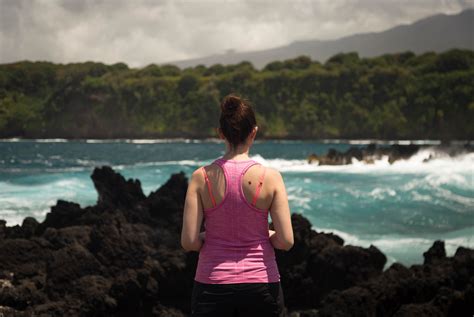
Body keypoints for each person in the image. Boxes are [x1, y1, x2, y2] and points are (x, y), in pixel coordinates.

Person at [181, 94, 294, 317]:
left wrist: (209, 236)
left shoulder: (200, 178)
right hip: (262, 286)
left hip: (212, 286)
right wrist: (266, 234)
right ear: (254, 132)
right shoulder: (271, 178)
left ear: (220, 133)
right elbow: (286, 241)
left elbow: (189, 242)